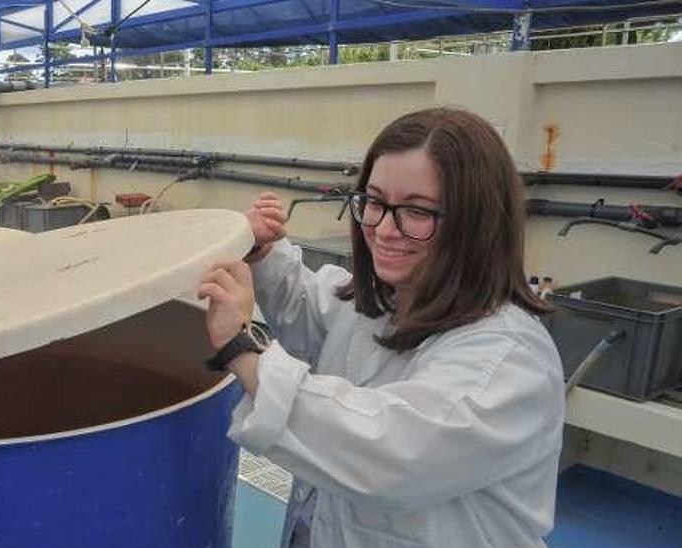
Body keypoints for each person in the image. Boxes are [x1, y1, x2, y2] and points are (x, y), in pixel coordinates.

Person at [197, 108, 564, 547]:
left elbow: (391, 454)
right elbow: (311, 310)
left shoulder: (509, 359)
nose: (386, 229)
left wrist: (243, 347)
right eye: (374, 202)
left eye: (417, 211)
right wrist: (262, 252)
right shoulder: (386, 301)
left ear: (476, 221)